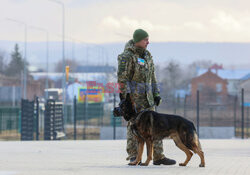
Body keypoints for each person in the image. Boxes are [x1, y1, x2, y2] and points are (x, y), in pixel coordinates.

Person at [117, 29, 176, 165]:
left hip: (148, 98)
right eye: (145, 40)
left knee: (155, 125)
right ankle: (133, 155)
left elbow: (153, 76)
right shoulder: (127, 56)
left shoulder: (147, 55)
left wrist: (156, 93)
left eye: (148, 39)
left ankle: (158, 156)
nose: (148, 42)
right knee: (134, 127)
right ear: (137, 40)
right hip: (134, 100)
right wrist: (124, 98)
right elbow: (122, 78)